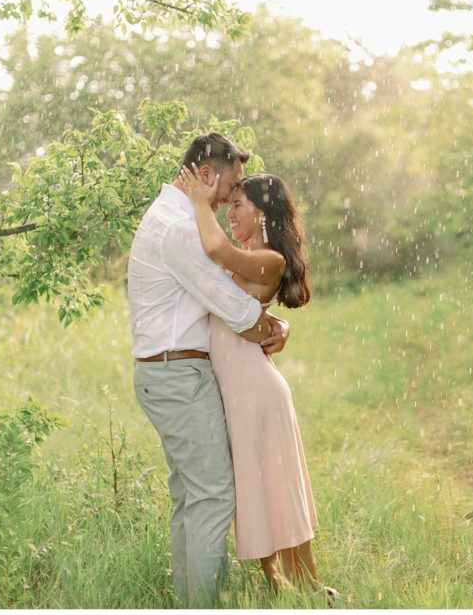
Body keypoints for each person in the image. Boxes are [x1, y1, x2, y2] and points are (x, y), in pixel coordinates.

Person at [127, 133, 291, 607]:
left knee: (192, 498)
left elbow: (229, 290)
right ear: (206, 175)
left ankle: (187, 600)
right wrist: (268, 329)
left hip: (168, 373)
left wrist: (275, 323)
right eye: (229, 186)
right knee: (214, 496)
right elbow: (234, 309)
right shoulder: (179, 228)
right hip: (177, 377)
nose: (228, 199)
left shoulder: (172, 218)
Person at [179, 165, 337, 602]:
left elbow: (213, 247)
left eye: (237, 205)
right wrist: (277, 324)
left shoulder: (269, 259)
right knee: (252, 483)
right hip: (238, 390)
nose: (230, 214)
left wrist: (198, 200)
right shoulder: (249, 255)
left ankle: (307, 587)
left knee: (276, 485)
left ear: (263, 212)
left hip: (256, 390)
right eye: (228, 207)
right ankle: (279, 585)